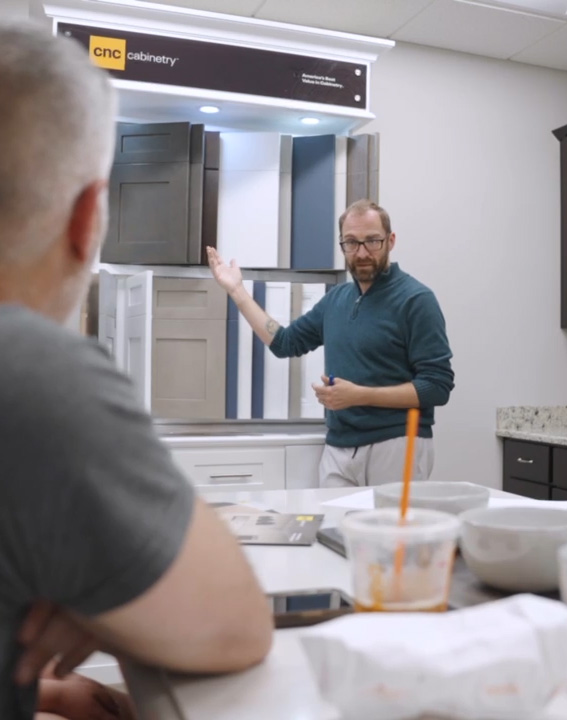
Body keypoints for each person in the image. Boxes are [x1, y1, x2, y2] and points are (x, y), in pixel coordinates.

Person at [0, 23, 273, 720]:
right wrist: (107, 601)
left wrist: (44, 692)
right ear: (89, 218)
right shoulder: (35, 373)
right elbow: (236, 626)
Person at [207, 199, 454, 487]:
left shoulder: (415, 300)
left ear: (391, 240)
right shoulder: (336, 300)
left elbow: (437, 387)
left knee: (388, 534)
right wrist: (237, 291)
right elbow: (285, 342)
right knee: (333, 530)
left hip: (397, 444)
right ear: (342, 245)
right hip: (339, 447)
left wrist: (359, 395)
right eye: (351, 242)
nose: (362, 252)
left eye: (372, 241)